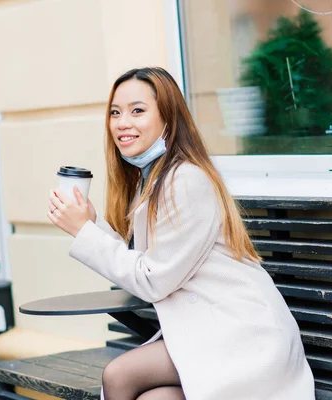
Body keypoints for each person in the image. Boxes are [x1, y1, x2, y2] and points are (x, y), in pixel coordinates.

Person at [47, 67, 315, 400]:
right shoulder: (155, 179)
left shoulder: (185, 180)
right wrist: (91, 224)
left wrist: (83, 231)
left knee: (119, 375)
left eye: (137, 111)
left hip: (244, 338)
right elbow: (149, 265)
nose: (121, 122)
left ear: (169, 119)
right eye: (115, 112)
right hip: (208, 333)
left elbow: (152, 280)